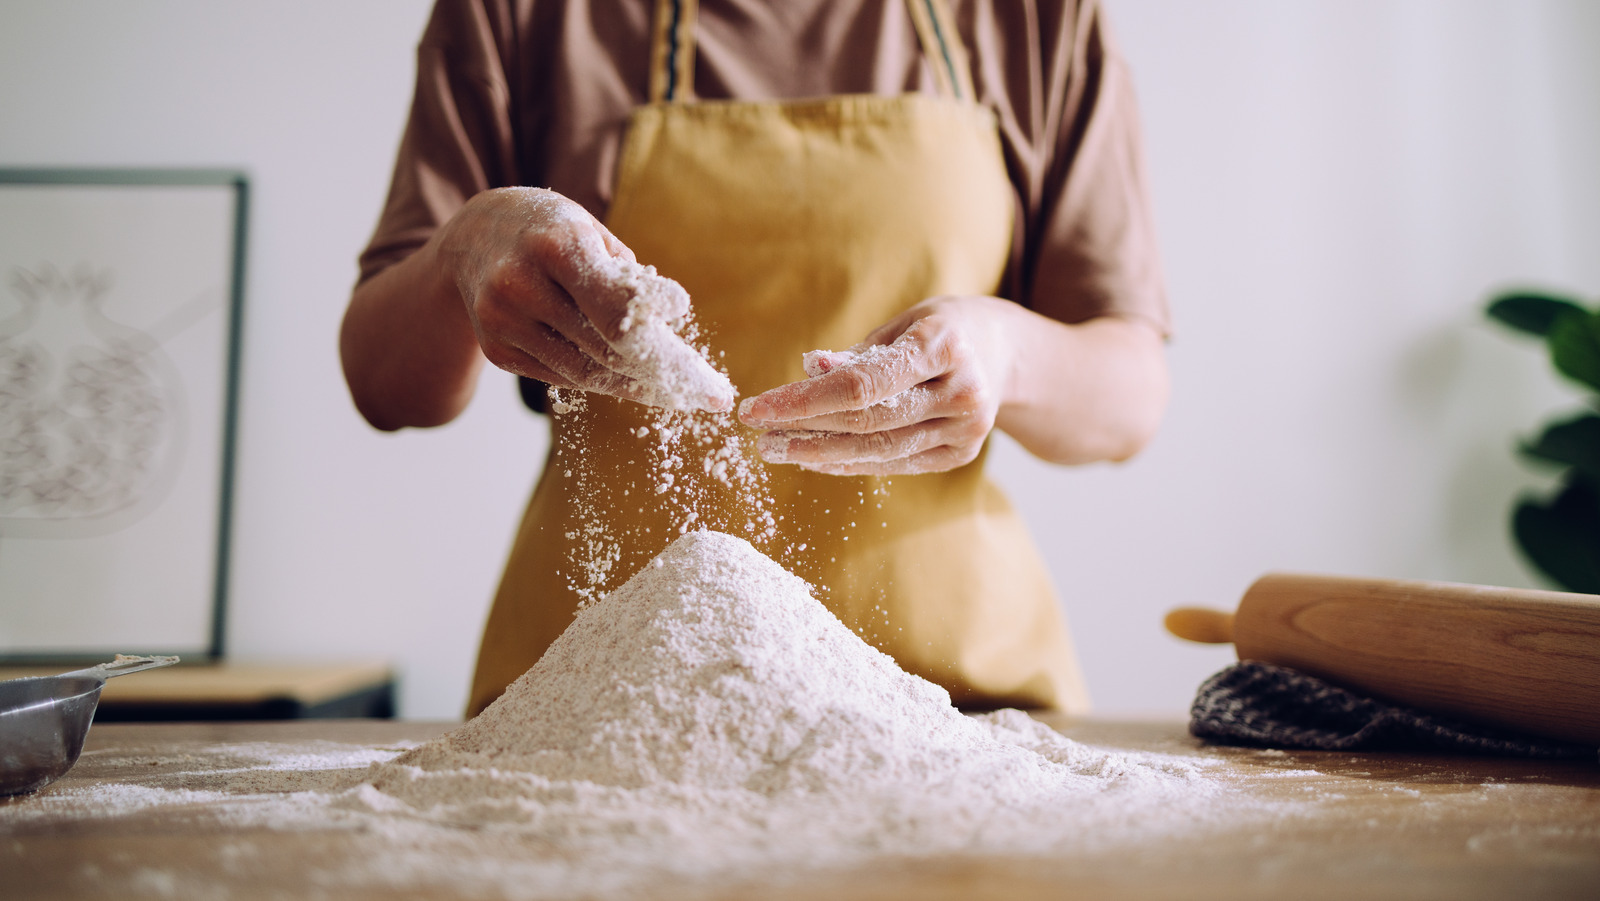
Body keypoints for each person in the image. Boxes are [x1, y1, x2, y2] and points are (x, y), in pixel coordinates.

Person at [341, 0, 1171, 716]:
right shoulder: (522, 15)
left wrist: (1005, 353)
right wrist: (466, 248)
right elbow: (383, 382)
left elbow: (1131, 391)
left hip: (953, 702)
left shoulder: (1029, 17)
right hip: (598, 704)